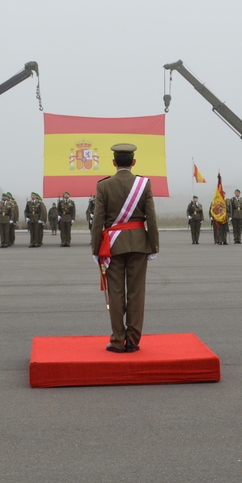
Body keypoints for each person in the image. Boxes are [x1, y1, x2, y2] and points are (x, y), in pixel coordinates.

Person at [91, 143, 159, 353]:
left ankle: (118, 341)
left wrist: (95, 249)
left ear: (114, 162)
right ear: (134, 162)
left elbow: (98, 221)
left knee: (116, 293)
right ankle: (133, 341)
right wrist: (153, 245)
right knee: (137, 293)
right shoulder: (144, 184)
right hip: (139, 244)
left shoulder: (104, 186)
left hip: (112, 246)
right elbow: (151, 218)